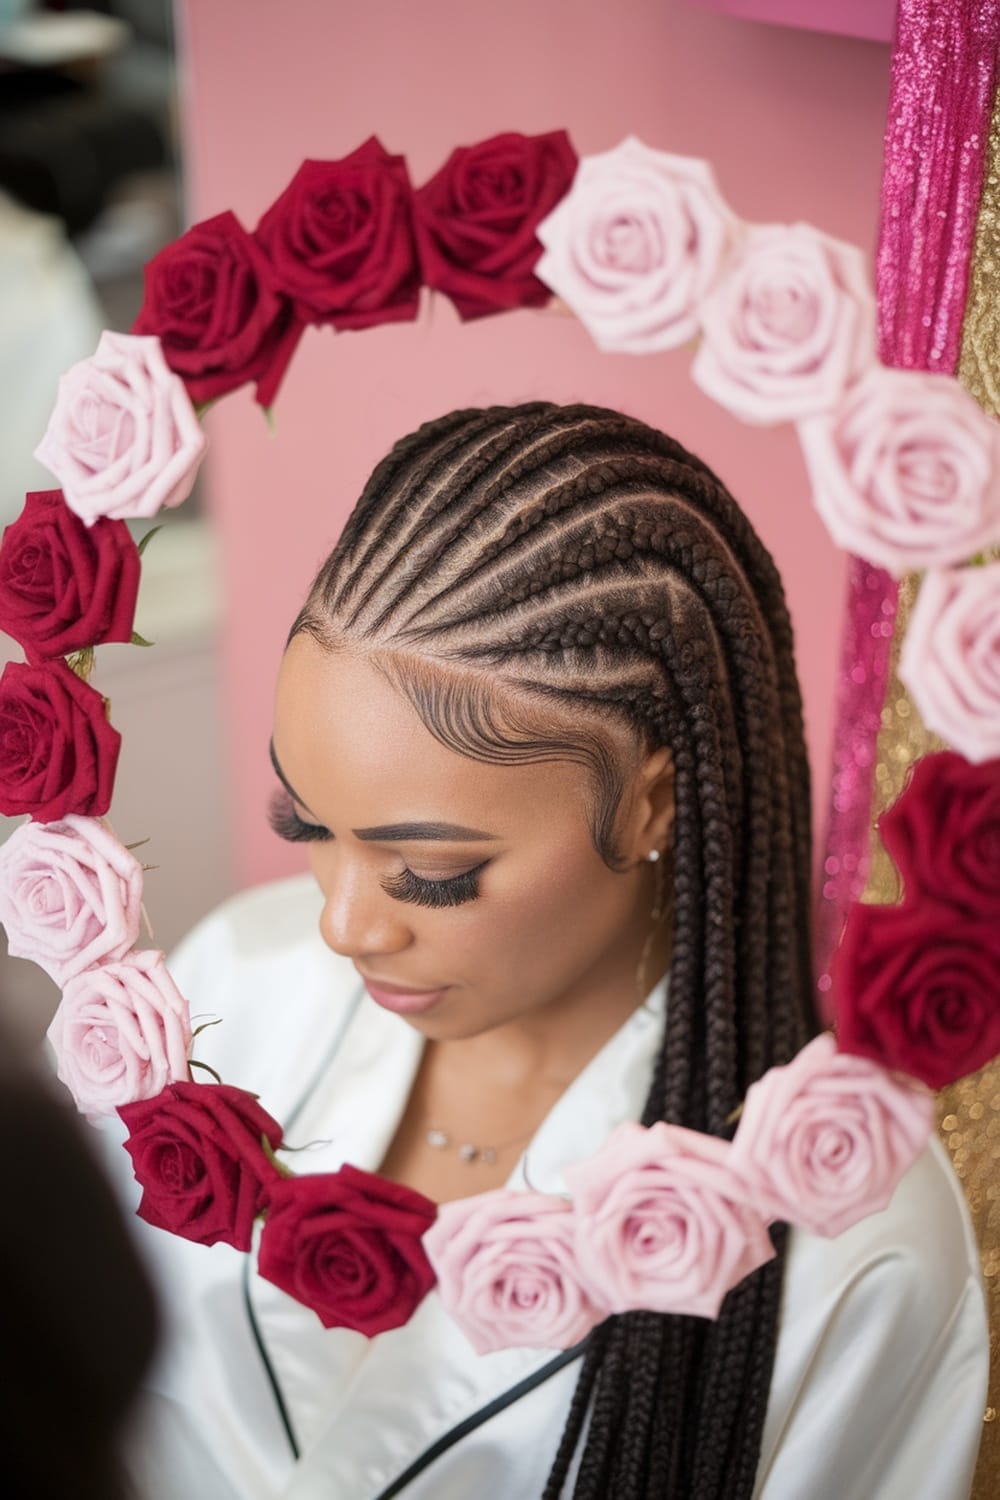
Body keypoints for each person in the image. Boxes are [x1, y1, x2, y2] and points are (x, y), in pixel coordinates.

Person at [118, 403, 988, 1500]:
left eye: (429, 873)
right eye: (308, 828)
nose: (343, 925)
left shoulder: (853, 1243)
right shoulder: (233, 982)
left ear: (647, 806)